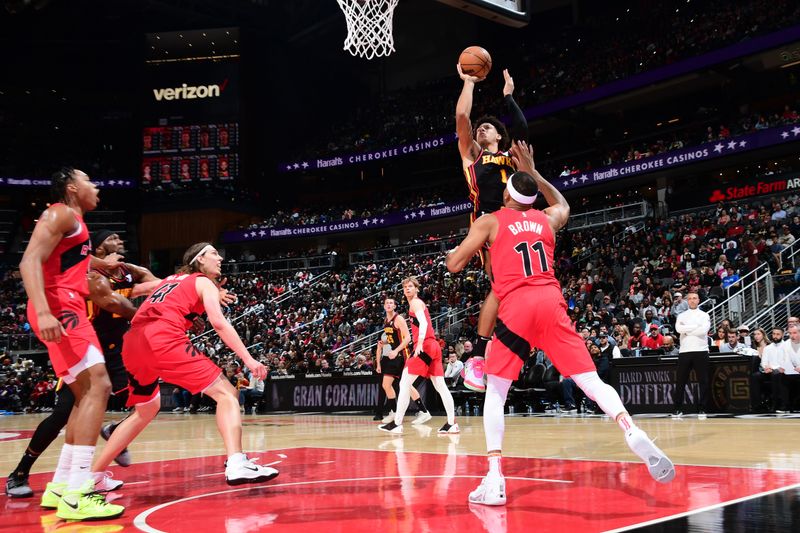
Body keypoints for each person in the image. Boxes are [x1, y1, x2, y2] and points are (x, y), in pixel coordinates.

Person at [445, 141, 674, 506]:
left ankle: (494, 478)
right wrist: (535, 171)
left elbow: (455, 265)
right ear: (532, 196)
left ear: (506, 193)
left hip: (517, 305)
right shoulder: (546, 218)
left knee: (497, 393)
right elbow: (563, 205)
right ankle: (630, 428)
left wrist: (451, 255)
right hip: (551, 302)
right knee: (591, 381)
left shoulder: (491, 220)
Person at [90, 242, 278, 486]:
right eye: (213, 254)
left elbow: (133, 291)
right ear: (199, 260)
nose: (219, 258)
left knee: (145, 410)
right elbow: (219, 324)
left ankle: (93, 476)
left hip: (133, 343)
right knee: (227, 394)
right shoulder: (203, 282)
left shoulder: (169, 280)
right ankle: (237, 462)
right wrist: (248, 359)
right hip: (164, 339)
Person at [5, 231, 156, 499]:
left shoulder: (125, 272)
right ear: (98, 246)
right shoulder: (85, 273)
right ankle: (20, 472)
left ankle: (98, 460)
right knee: (64, 412)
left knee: (144, 402)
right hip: (83, 347)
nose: (120, 240)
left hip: (115, 349)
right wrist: (144, 315)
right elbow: (111, 300)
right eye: (113, 237)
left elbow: (150, 281)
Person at [18, 167, 124, 520]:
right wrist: (46, 312)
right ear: (71, 187)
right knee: (100, 384)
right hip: (59, 307)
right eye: (90, 181)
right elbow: (30, 259)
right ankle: (79, 491)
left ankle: (62, 484)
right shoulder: (59, 211)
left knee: (84, 394)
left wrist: (101, 265)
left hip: (65, 305)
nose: (97, 187)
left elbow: (68, 259)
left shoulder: (75, 223)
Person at [455, 65, 528, 362]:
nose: (480, 129)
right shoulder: (473, 154)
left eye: (487, 127)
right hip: (488, 224)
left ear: (499, 135)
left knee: (521, 285)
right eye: (479, 127)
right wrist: (469, 83)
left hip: (519, 222)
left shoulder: (511, 155)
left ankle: (514, 336)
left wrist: (509, 97)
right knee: (499, 283)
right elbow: (462, 118)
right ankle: (484, 349)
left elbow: (522, 131)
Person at [379, 277, 458, 435]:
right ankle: (452, 424)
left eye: (410, 286)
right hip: (433, 346)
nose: (407, 289)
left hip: (425, 346)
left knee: (404, 384)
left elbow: (424, 323)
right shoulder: (415, 303)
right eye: (405, 287)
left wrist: (420, 342)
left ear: (417, 289)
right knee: (440, 386)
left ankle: (397, 424)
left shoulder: (415, 303)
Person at [374, 297, 430, 425]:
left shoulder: (398, 319)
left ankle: (423, 411)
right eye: (386, 302)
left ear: (395, 306)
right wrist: (384, 342)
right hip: (394, 355)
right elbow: (395, 338)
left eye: (391, 303)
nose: (388, 304)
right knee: (388, 385)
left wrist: (396, 350)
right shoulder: (386, 320)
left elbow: (407, 339)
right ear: (384, 306)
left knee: (405, 385)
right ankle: (395, 412)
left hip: (402, 355)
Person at [672, 291, 711, 418]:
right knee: (680, 381)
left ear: (699, 300)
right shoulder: (681, 316)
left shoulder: (704, 315)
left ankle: (703, 409)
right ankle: (677, 408)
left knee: (703, 381)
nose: (693, 300)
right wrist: (695, 327)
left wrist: (687, 329)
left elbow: (703, 330)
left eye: (695, 298)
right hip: (684, 351)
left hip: (701, 351)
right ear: (687, 300)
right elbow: (678, 329)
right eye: (690, 299)